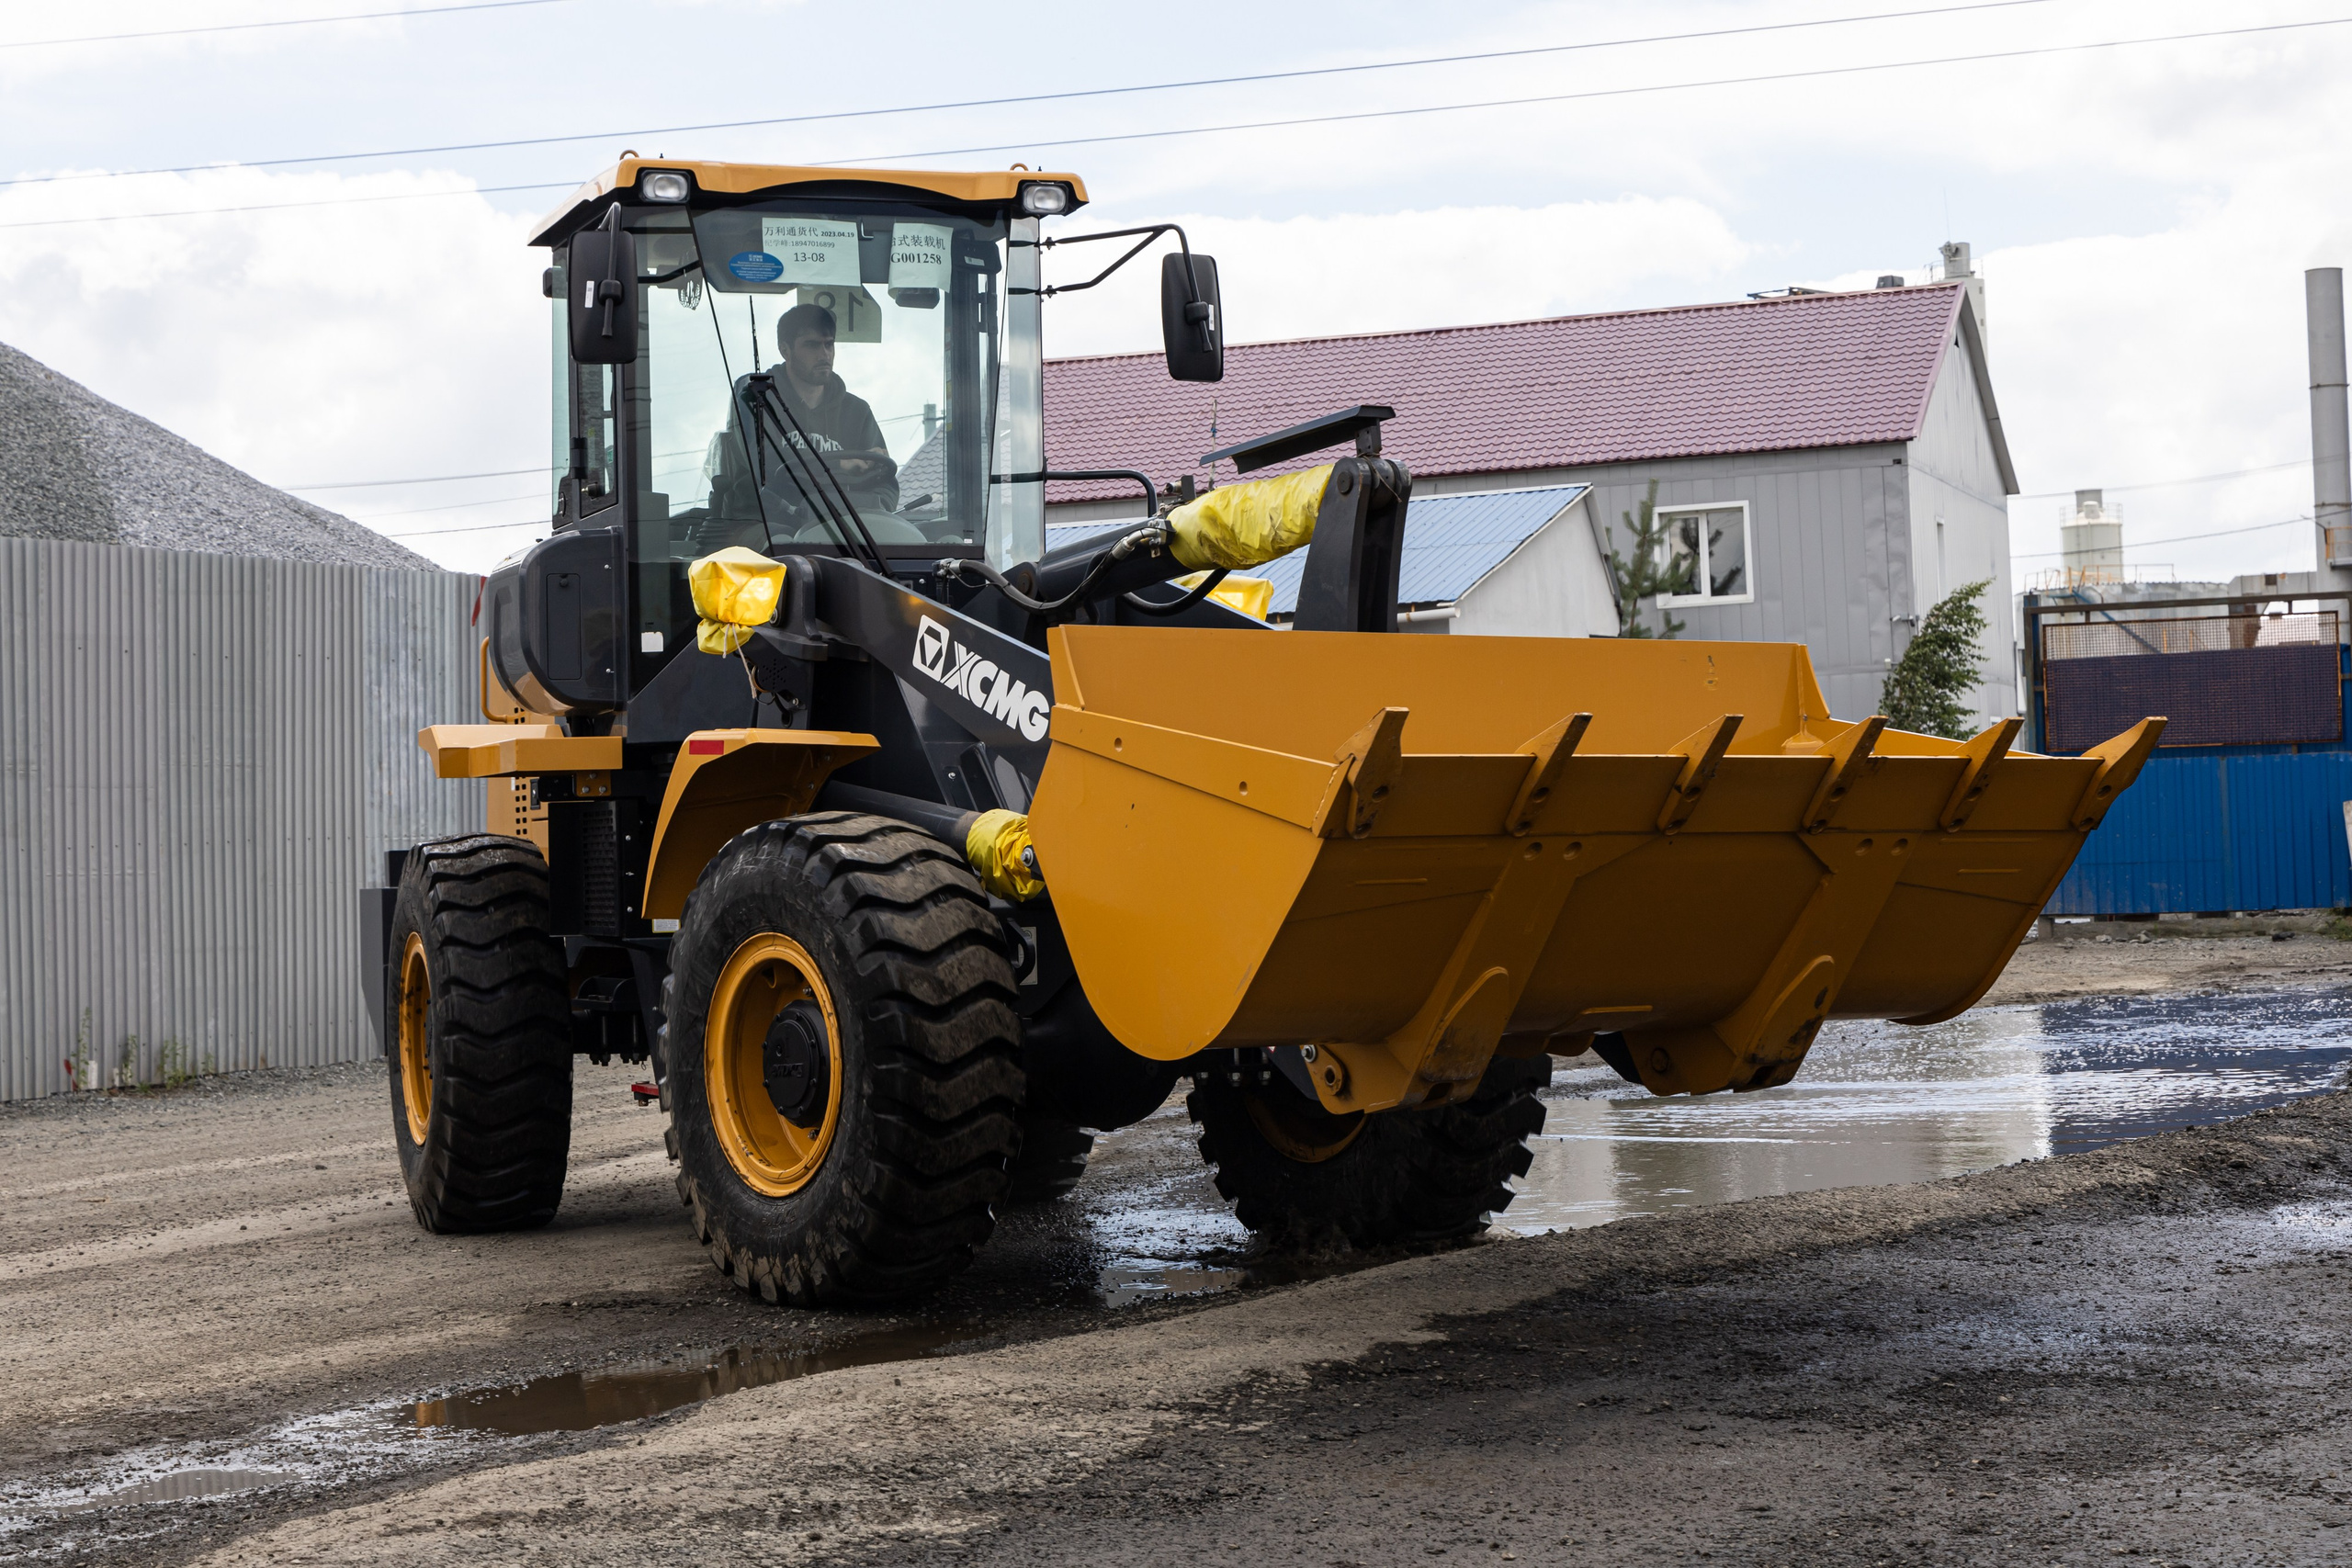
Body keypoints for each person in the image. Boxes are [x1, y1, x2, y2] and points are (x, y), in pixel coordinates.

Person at [764, 301, 899, 514]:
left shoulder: (857, 411)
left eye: (829, 344)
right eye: (812, 345)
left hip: (849, 529)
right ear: (785, 350)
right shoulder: (760, 403)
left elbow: (885, 482)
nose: (824, 354)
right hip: (777, 525)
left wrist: (875, 510)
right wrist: (841, 467)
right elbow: (764, 473)